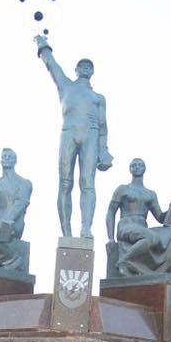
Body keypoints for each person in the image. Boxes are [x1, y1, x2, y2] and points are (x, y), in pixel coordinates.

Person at [34, 34, 113, 238]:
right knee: (65, 182)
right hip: (69, 132)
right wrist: (42, 45)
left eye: (89, 66)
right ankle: (66, 230)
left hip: (91, 135)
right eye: (82, 65)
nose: (86, 68)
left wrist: (104, 150)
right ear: (76, 69)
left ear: (93, 71)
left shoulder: (98, 98)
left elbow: (103, 126)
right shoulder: (66, 85)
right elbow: (52, 65)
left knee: (87, 183)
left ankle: (86, 228)